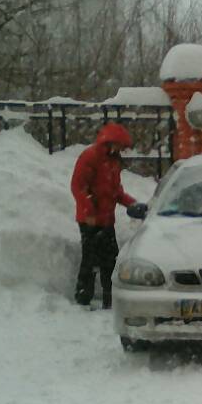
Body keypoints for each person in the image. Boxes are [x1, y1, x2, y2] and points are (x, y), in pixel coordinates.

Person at [71, 123, 147, 307]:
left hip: (106, 219)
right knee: (89, 259)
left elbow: (115, 191)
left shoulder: (112, 161)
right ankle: (84, 297)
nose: (121, 150)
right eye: (120, 146)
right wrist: (89, 211)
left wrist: (132, 203)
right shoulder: (90, 157)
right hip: (90, 220)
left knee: (110, 260)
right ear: (111, 143)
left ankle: (109, 298)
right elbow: (78, 186)